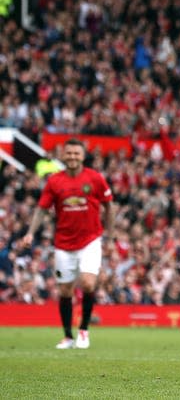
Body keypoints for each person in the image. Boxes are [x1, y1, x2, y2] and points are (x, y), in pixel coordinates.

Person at [22, 138, 114, 349]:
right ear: (64, 155)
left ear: (83, 156)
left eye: (76, 153)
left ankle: (83, 331)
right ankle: (67, 336)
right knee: (65, 291)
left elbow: (109, 207)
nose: (72, 157)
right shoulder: (55, 181)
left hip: (90, 240)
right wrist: (30, 233)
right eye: (69, 153)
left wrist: (110, 235)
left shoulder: (95, 178)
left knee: (89, 283)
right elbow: (41, 209)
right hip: (63, 243)